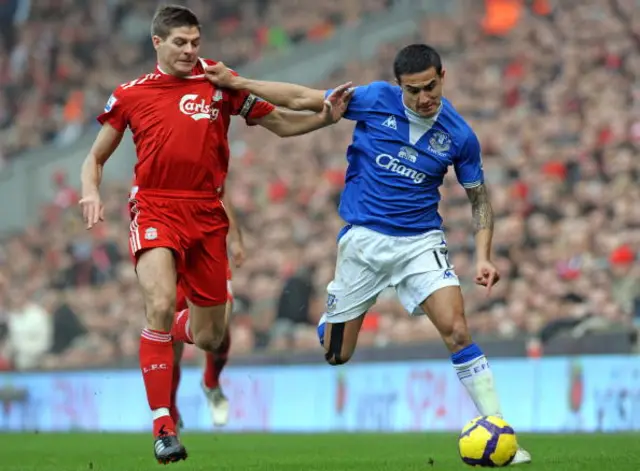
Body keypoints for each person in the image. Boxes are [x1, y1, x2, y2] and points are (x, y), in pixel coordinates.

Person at [205, 44, 532, 465]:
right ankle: (334, 320)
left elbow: (480, 200)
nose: (423, 98)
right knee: (337, 355)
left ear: (443, 77)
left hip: (420, 243)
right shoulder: (375, 99)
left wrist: (484, 256)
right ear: (399, 87)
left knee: (457, 330)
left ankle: (500, 430)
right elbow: (305, 98)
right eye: (413, 90)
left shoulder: (460, 135)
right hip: (363, 242)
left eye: (430, 86)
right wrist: (239, 82)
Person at [79, 4, 352, 464]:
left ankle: (169, 336)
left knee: (209, 336)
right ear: (157, 44)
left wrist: (325, 117)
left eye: (195, 43)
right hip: (155, 205)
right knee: (161, 303)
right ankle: (163, 426)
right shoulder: (130, 94)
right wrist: (90, 191)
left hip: (207, 214)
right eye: (180, 43)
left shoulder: (219, 82)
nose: (190, 51)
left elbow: (282, 122)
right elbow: (96, 157)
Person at [171, 191, 245, 430]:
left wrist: (235, 240)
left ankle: (211, 382)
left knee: (218, 328)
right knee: (171, 339)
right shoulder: (156, 167)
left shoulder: (205, 163)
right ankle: (169, 406)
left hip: (210, 255)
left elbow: (222, 196)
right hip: (174, 260)